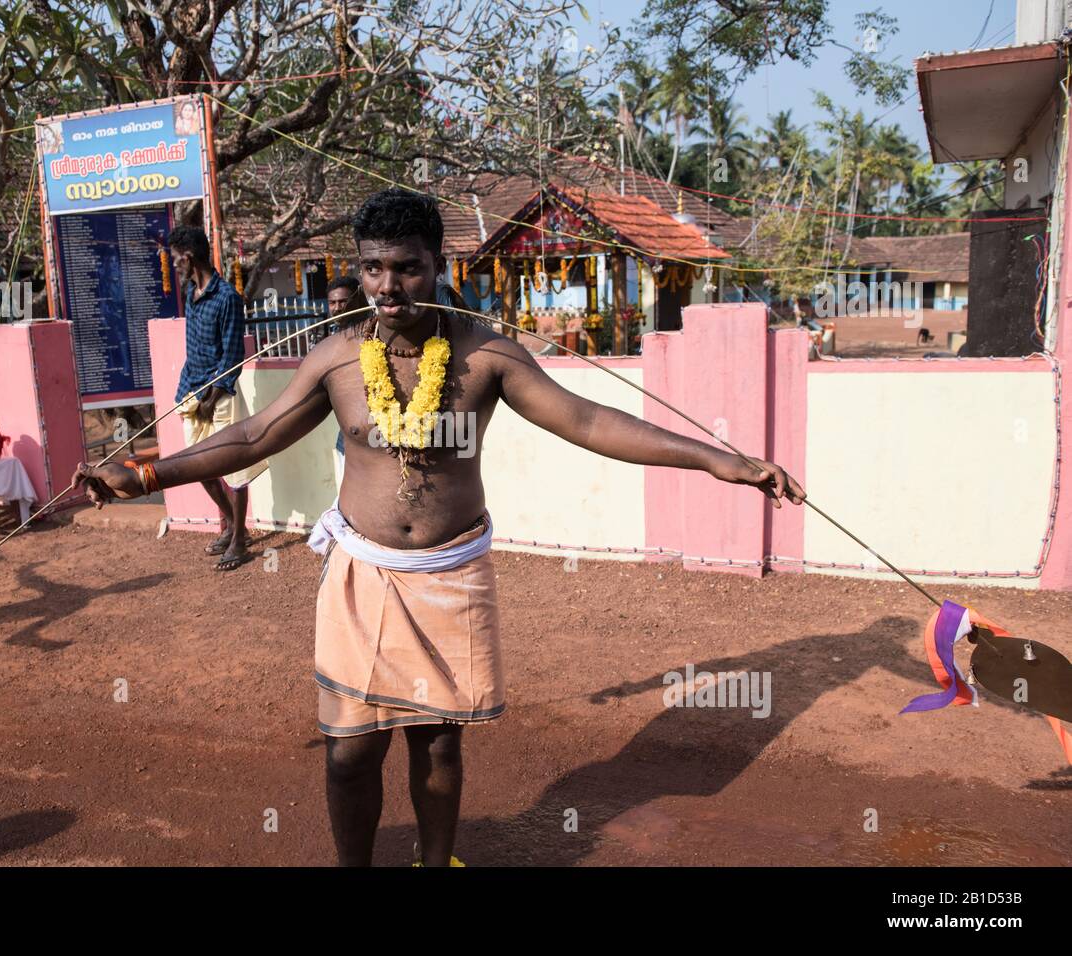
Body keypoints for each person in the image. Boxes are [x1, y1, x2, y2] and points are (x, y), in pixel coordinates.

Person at [75, 189, 805, 867]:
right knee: (349, 751)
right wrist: (143, 473)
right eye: (372, 269)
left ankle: (436, 864)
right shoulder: (335, 361)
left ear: (437, 266)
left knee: (435, 745)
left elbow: (586, 420)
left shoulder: (485, 356)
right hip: (362, 575)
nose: (389, 288)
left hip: (449, 575)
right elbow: (251, 437)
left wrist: (717, 459)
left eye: (407, 269)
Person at [167, 225, 269, 571]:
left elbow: (233, 353)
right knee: (200, 469)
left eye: (176, 258)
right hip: (191, 393)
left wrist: (215, 393)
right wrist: (194, 394)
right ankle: (230, 523)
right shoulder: (189, 293)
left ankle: (239, 539)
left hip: (220, 395)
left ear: (189, 256)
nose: (174, 265)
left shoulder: (228, 297)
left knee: (234, 469)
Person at [324, 276, 368, 484]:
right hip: (348, 437)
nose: (337, 308)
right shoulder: (335, 338)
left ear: (358, 299)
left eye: (343, 302)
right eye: (332, 303)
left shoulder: (374, 331)